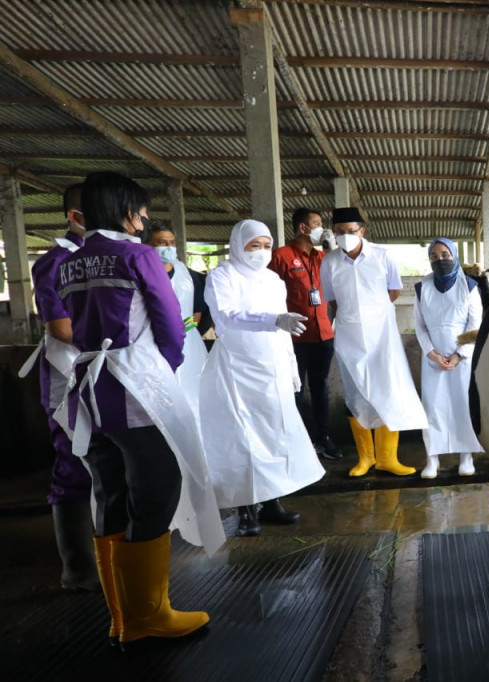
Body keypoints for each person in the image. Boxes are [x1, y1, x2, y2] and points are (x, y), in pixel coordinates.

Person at [57, 171, 223, 645]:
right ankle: (149, 614)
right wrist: (164, 370)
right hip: (135, 388)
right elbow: (171, 323)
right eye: (140, 211)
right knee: (157, 487)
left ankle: (122, 618)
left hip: (89, 393)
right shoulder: (137, 254)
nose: (145, 219)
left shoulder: (70, 260)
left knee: (109, 494)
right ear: (125, 211)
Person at [201, 219, 325, 537]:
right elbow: (226, 316)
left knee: (274, 434)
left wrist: (291, 370)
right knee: (242, 437)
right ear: (238, 245)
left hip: (270, 365)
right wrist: (272, 320)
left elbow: (283, 331)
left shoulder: (273, 280)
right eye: (253, 246)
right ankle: (246, 508)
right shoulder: (222, 275)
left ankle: (272, 501)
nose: (261, 252)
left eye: (266, 246)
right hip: (237, 367)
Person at [19, 182, 98, 591]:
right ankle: (78, 566)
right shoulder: (55, 261)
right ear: (74, 216)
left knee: (105, 461)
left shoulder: (106, 255)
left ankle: (109, 554)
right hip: (68, 370)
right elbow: (61, 327)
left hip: (103, 368)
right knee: (73, 459)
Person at [320, 207, 427, 477]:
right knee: (356, 395)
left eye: (351, 232)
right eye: (340, 232)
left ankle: (388, 459)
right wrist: (356, 318)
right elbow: (332, 300)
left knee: (388, 390)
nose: (345, 236)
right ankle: (365, 459)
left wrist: (372, 314)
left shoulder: (382, 255)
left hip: (382, 337)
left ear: (362, 231)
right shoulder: (329, 262)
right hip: (349, 336)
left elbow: (394, 290)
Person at [268, 208, 342, 460]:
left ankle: (324, 438)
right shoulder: (281, 257)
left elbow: (340, 277)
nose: (323, 229)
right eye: (318, 224)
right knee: (294, 392)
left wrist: (332, 249)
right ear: (303, 228)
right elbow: (267, 293)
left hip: (322, 335)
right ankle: (297, 443)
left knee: (321, 389)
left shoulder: (322, 258)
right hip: (294, 339)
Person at [413, 239, 484, 479]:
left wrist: (458, 355)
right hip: (433, 358)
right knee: (432, 407)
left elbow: (476, 324)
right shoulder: (422, 288)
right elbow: (420, 327)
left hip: (462, 357)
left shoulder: (470, 286)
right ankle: (432, 459)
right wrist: (432, 354)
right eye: (434, 256)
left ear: (454, 255)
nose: (439, 259)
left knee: (462, 404)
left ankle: (466, 457)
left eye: (445, 254)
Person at [144, 221, 208, 414]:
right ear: (148, 245)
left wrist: (182, 329)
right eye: (162, 243)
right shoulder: (142, 273)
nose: (169, 248)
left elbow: (197, 310)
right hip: (152, 346)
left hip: (188, 344)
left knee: (193, 397)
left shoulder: (187, 275)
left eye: (172, 243)